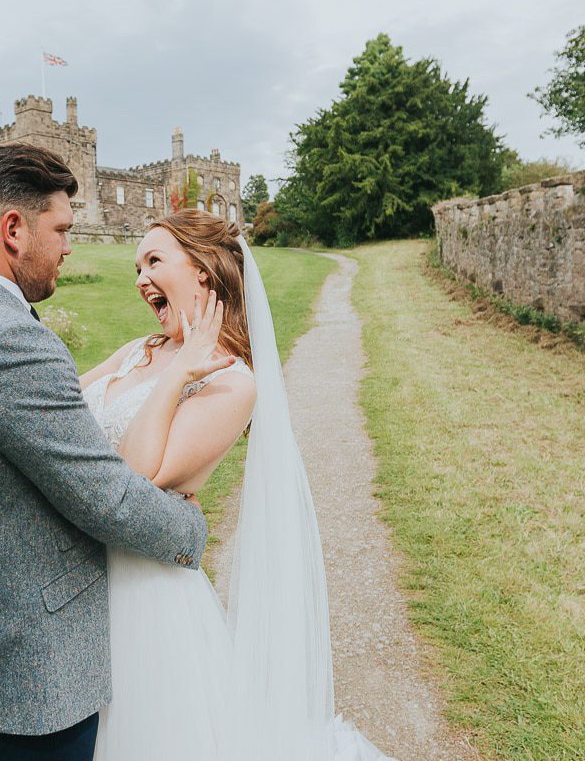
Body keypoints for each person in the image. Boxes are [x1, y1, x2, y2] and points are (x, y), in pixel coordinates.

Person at [0, 143, 226, 761]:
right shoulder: (5, 339)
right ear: (13, 230)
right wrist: (189, 527)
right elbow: (106, 497)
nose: (71, 246)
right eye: (62, 229)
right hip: (20, 670)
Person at [79, 209, 394, 760]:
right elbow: (56, 415)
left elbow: (134, 479)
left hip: (144, 595)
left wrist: (179, 374)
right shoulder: (137, 350)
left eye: (155, 260)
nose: (140, 277)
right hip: (80, 575)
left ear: (202, 271)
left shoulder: (233, 382)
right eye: (137, 264)